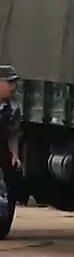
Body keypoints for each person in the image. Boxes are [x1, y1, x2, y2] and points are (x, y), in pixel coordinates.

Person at [0, 64, 19, 239]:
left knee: (8, 190)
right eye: (9, 82)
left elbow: (14, 133)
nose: (12, 87)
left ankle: (2, 227)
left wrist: (15, 155)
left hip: (2, 155)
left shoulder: (12, 109)